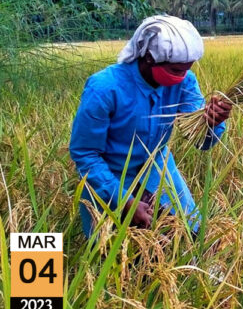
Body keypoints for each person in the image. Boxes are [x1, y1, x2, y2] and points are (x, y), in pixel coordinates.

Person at [70, 15, 233, 237]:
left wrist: (212, 123)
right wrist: (124, 201)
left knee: (191, 236)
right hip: (110, 176)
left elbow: (201, 142)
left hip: (157, 169)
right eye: (175, 70)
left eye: (186, 69)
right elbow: (85, 154)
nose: (181, 77)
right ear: (148, 57)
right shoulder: (104, 88)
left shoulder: (185, 81)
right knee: (113, 248)